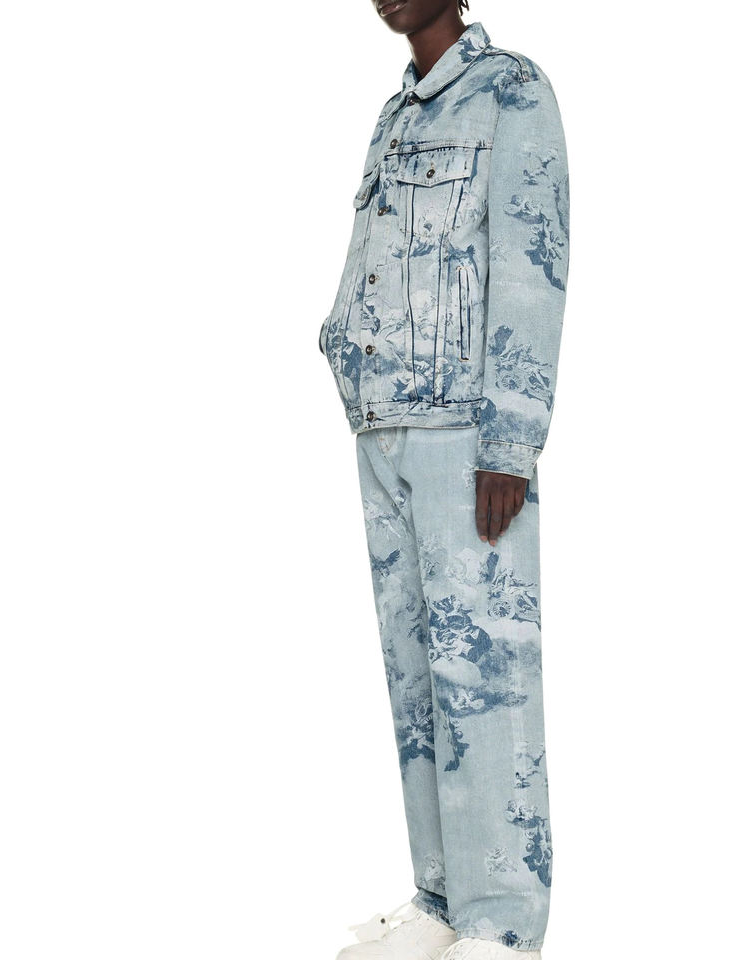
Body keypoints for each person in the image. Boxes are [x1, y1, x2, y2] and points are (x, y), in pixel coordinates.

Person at [318, 3, 569, 957]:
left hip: (465, 434)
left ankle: (501, 926)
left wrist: (511, 437)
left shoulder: (511, 92)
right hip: (382, 426)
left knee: (484, 674)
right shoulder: (397, 114)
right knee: (417, 678)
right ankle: (442, 902)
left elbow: (533, 263)